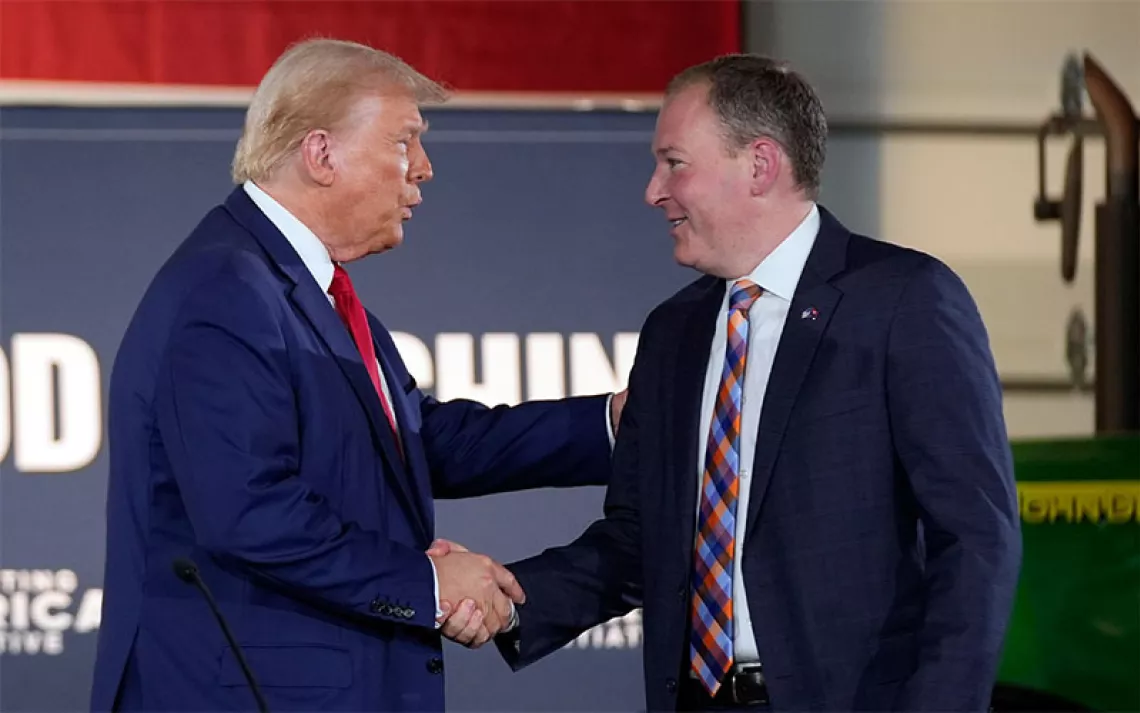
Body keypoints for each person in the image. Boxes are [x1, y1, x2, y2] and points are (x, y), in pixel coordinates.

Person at [436, 54, 1022, 712]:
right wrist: (510, 598)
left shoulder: (901, 300)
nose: (653, 190)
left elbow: (976, 537)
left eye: (674, 162)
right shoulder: (673, 332)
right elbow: (638, 540)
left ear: (760, 165)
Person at [90, 38, 623, 713]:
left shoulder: (303, 289)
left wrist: (612, 424)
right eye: (405, 141)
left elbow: (419, 442)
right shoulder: (226, 290)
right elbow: (249, 510)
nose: (423, 169)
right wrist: (427, 582)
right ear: (321, 154)